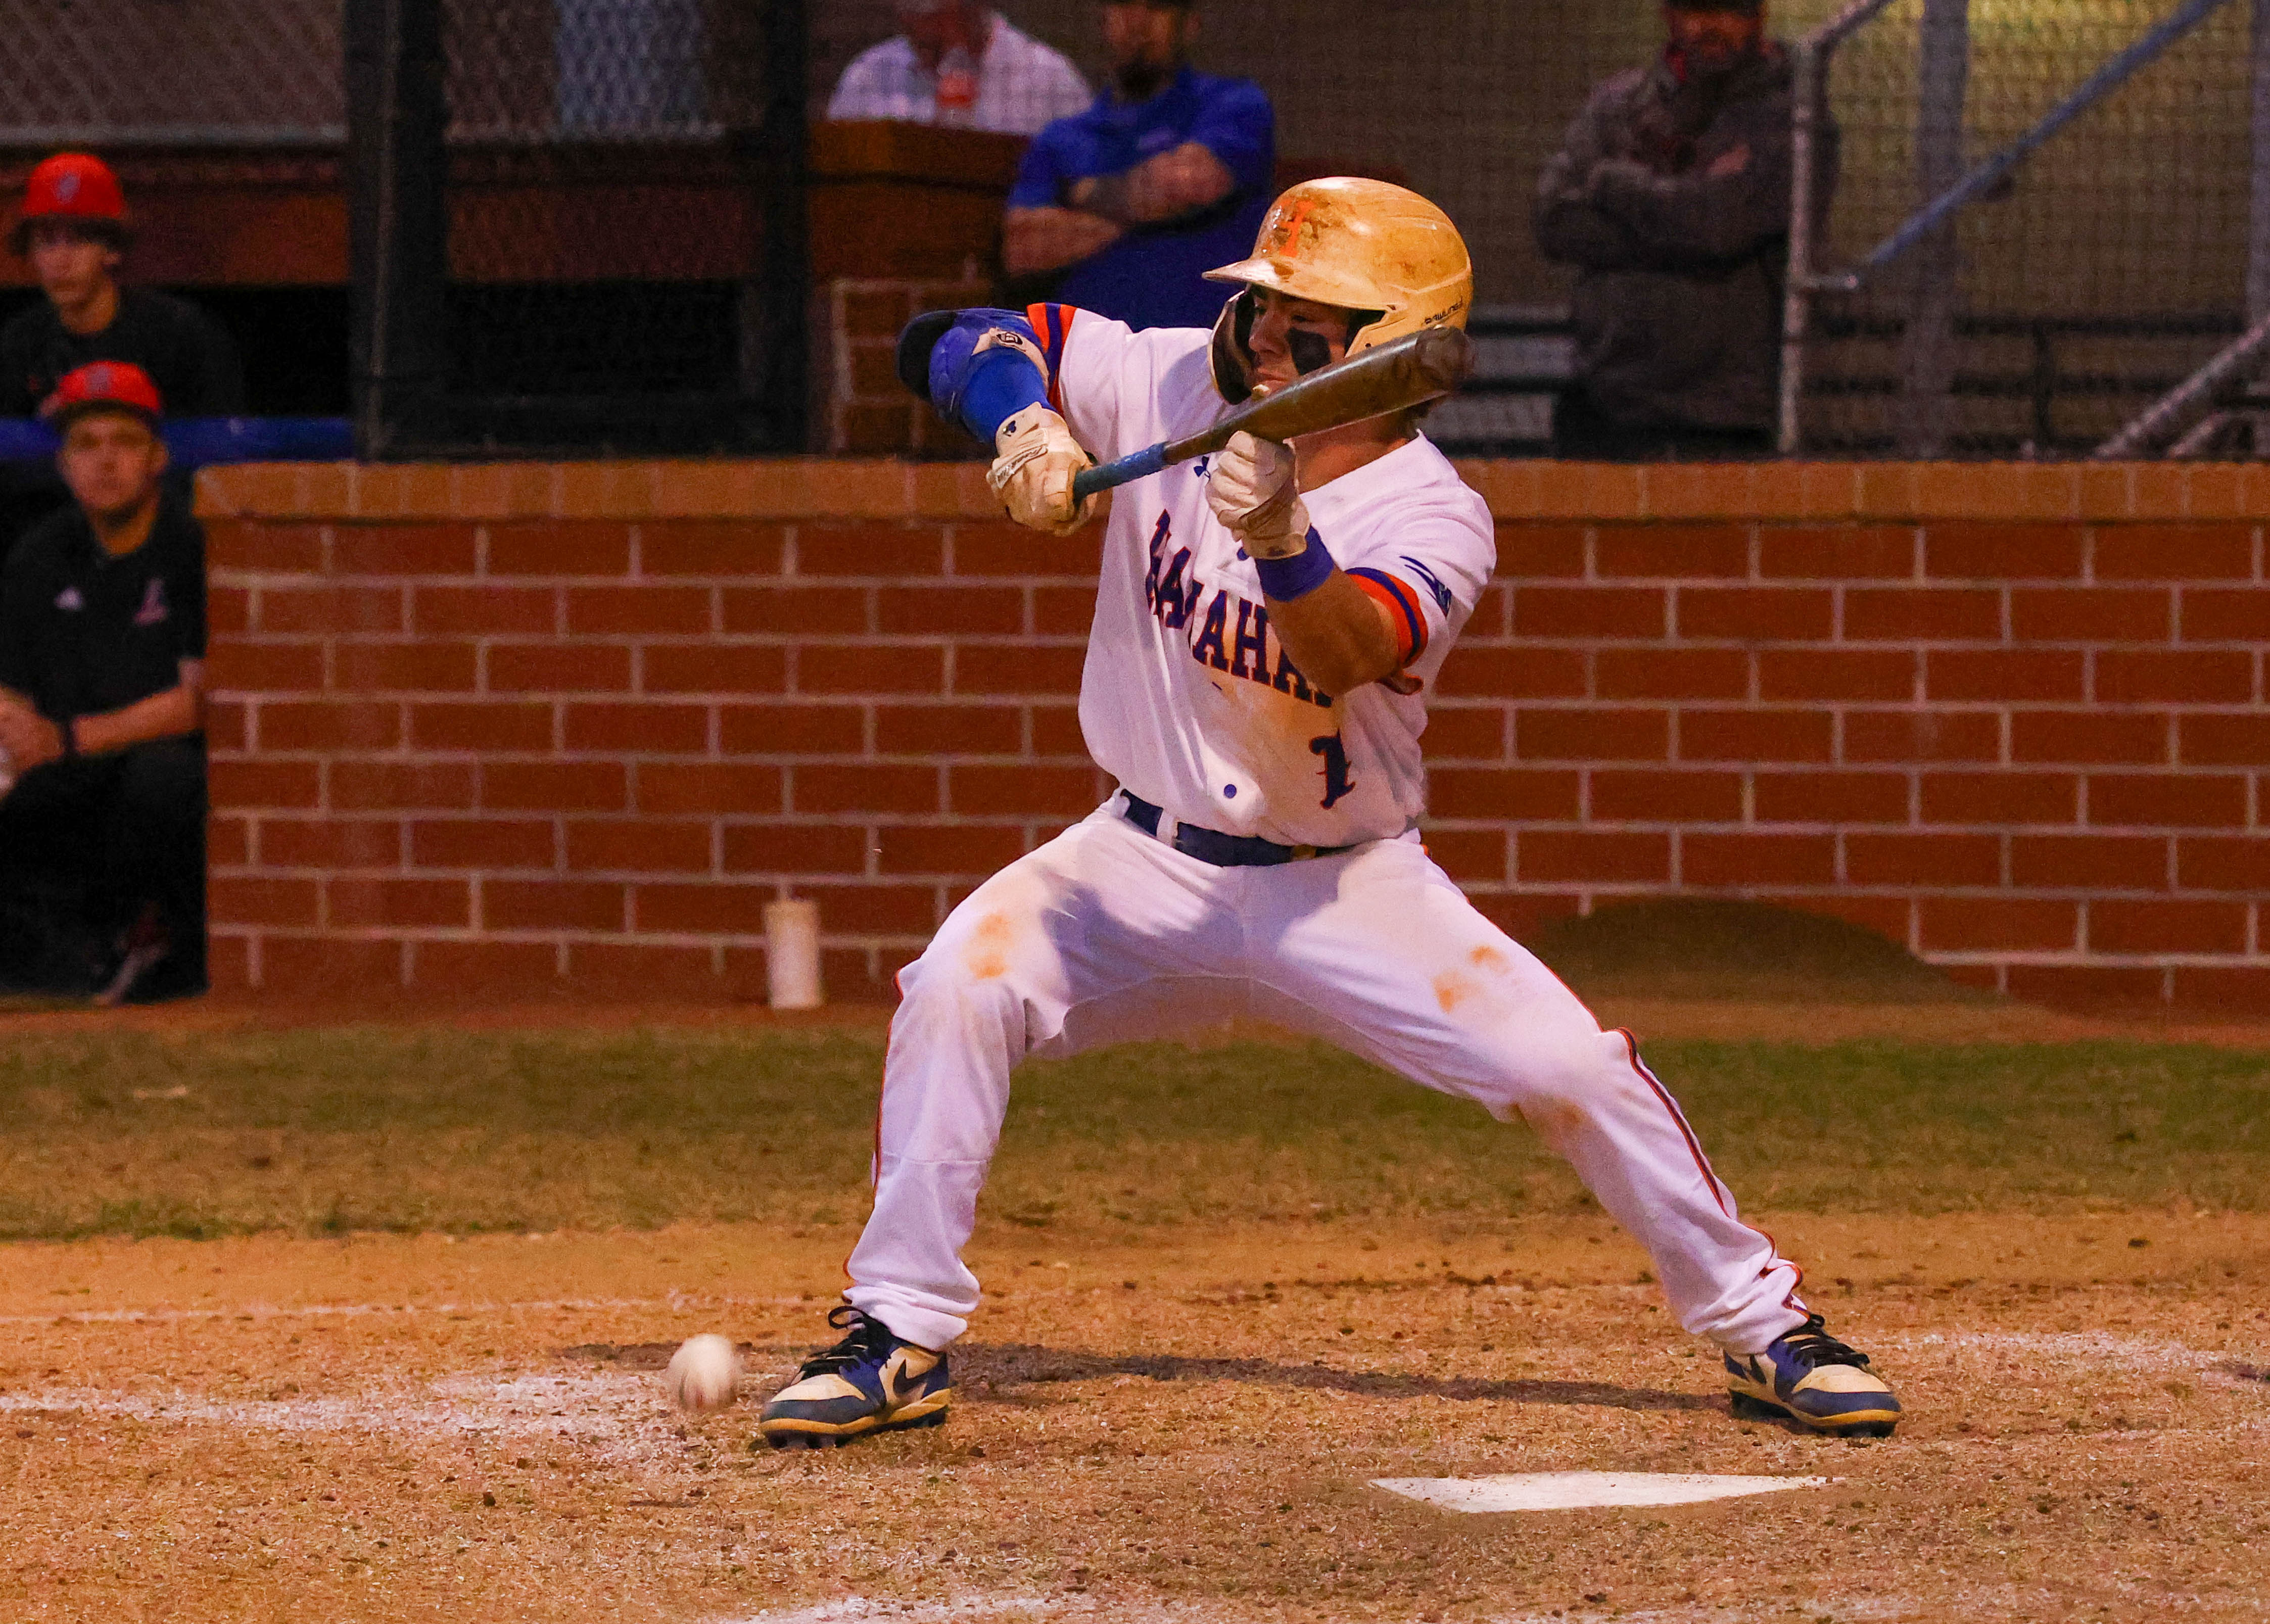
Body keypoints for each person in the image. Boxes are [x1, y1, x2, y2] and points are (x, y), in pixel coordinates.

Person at [755, 177, 1902, 1449]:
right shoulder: (1170, 384)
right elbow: (952, 336)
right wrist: (1021, 419)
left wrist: (1282, 535)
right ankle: (895, 1329)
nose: (1256, 332)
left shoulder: (1433, 512)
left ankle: (1764, 1326)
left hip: (1346, 885)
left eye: (1302, 315)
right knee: (957, 982)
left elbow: (1347, 649)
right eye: (1258, 301)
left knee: (1567, 1065)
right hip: (1134, 860)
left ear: (1391, 353)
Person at [1534, 0, 1833, 460]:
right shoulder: (1618, 105)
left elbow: (1720, 228)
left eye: (1730, 10)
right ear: (1669, 15)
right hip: (1607, 400)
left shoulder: (1794, 120)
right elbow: (1554, 222)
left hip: (1728, 414)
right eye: (1696, 8)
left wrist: (1612, 183)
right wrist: (1685, 212)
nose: (1712, 25)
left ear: (1758, 17)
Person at [0, 362, 208, 1005]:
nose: (105, 461)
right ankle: (61, 953)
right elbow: (9, 686)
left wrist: (67, 738)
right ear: (63, 465)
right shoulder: (40, 552)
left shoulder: (190, 545)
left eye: (124, 441)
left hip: (156, 764)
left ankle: (163, 943)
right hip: (65, 765)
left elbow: (199, 701)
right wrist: (18, 733)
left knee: (163, 781)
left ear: (158, 457)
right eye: (86, 445)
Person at [1002, 0, 1273, 331]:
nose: (1138, 21)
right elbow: (1023, 249)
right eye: (1124, 4)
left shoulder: (1233, 104)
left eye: (1157, 7)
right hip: (1085, 357)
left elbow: (1188, 186)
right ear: (1104, 19)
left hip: (1205, 351)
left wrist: (1085, 195)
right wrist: (1145, 211)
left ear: (1189, 25)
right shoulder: (1061, 138)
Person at [0, 153, 245, 420]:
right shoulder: (18, 344)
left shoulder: (180, 334)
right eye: (46, 243)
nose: (60, 261)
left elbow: (222, 443)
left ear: (113, 249)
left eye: (79, 241)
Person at [827, 0, 1092, 137]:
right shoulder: (868, 76)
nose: (938, 63)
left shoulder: (1050, 80)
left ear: (976, 11)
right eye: (918, 40)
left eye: (938, 42)